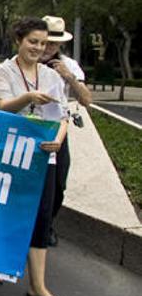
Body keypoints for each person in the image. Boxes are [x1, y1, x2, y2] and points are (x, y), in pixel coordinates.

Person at [0, 17, 69, 296]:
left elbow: (62, 116)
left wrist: (57, 140)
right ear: (18, 41)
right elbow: (2, 107)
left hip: (43, 155)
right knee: (6, 209)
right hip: (11, 153)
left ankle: (38, 285)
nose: (38, 47)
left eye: (43, 43)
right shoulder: (3, 71)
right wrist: (28, 97)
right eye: (32, 41)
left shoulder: (51, 76)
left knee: (42, 216)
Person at [41, 15, 92, 246]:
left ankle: (48, 224)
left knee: (58, 183)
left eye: (54, 44)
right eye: (45, 42)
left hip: (57, 129)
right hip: (28, 127)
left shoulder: (68, 65)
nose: (48, 48)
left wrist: (69, 77)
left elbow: (86, 100)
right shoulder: (25, 61)